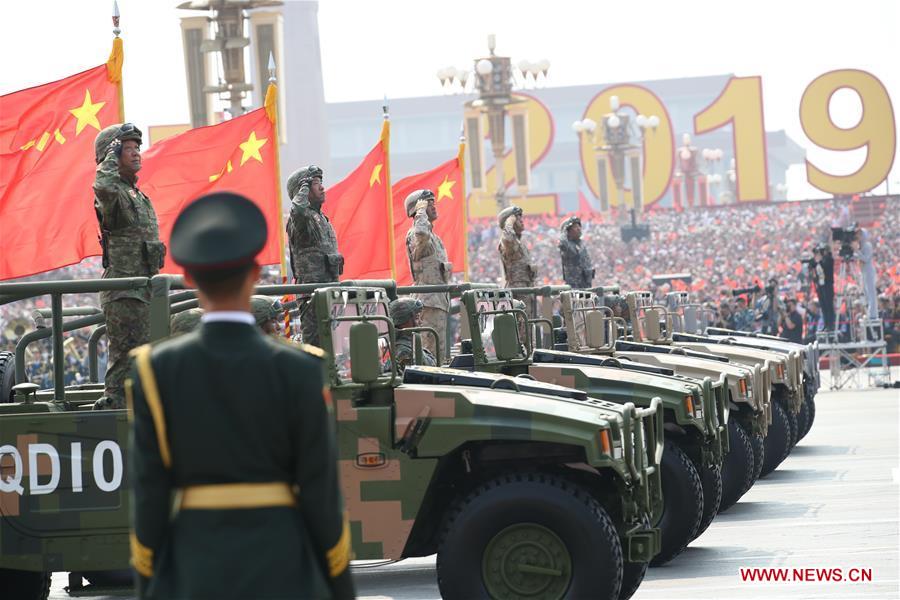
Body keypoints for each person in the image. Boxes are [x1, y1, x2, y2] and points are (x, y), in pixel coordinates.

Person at [127, 192, 354, 600]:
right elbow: (322, 496)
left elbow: (149, 498)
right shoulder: (301, 368)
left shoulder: (154, 370)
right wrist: (338, 587)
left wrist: (152, 584)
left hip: (194, 573)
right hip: (283, 571)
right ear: (254, 273)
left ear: (190, 278)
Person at [92, 123, 166, 410]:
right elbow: (102, 184)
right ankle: (115, 418)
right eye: (129, 148)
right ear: (111, 153)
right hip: (124, 293)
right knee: (124, 363)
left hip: (144, 290)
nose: (137, 153)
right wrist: (109, 156)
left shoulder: (136, 195)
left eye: (138, 147)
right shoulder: (114, 193)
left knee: (144, 361)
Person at [285, 165, 343, 347]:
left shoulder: (322, 219)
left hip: (331, 292)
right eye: (316, 183)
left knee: (336, 348)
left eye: (321, 182)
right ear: (302, 190)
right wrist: (303, 187)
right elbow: (298, 211)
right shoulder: (301, 219)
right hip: (312, 296)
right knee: (316, 348)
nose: (322, 187)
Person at [404, 189, 451, 361]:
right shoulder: (416, 235)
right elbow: (421, 234)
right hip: (428, 304)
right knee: (429, 357)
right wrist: (421, 211)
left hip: (438, 303)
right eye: (427, 203)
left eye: (433, 202)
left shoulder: (435, 239)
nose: (433, 206)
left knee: (439, 356)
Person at [498, 205, 537, 317]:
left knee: (529, 329)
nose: (521, 220)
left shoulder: (519, 243)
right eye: (517, 218)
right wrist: (509, 222)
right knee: (521, 330)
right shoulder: (508, 242)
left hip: (527, 292)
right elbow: (508, 238)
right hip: (517, 294)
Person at [385, 296, 436, 374]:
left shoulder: (410, 344)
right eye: (417, 318)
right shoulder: (404, 351)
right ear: (403, 321)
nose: (420, 322)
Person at [558, 216, 594, 289]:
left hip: (586, 285)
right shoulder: (567, 246)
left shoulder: (581, 244)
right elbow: (563, 243)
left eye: (579, 226)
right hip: (574, 286)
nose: (578, 229)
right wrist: (564, 230)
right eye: (575, 227)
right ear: (568, 231)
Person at [811, 243, 835, 331]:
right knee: (823, 306)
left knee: (829, 305)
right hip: (820, 285)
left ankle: (830, 325)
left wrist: (819, 260)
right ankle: (826, 324)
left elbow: (825, 266)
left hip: (827, 285)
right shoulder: (819, 260)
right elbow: (813, 265)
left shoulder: (829, 259)